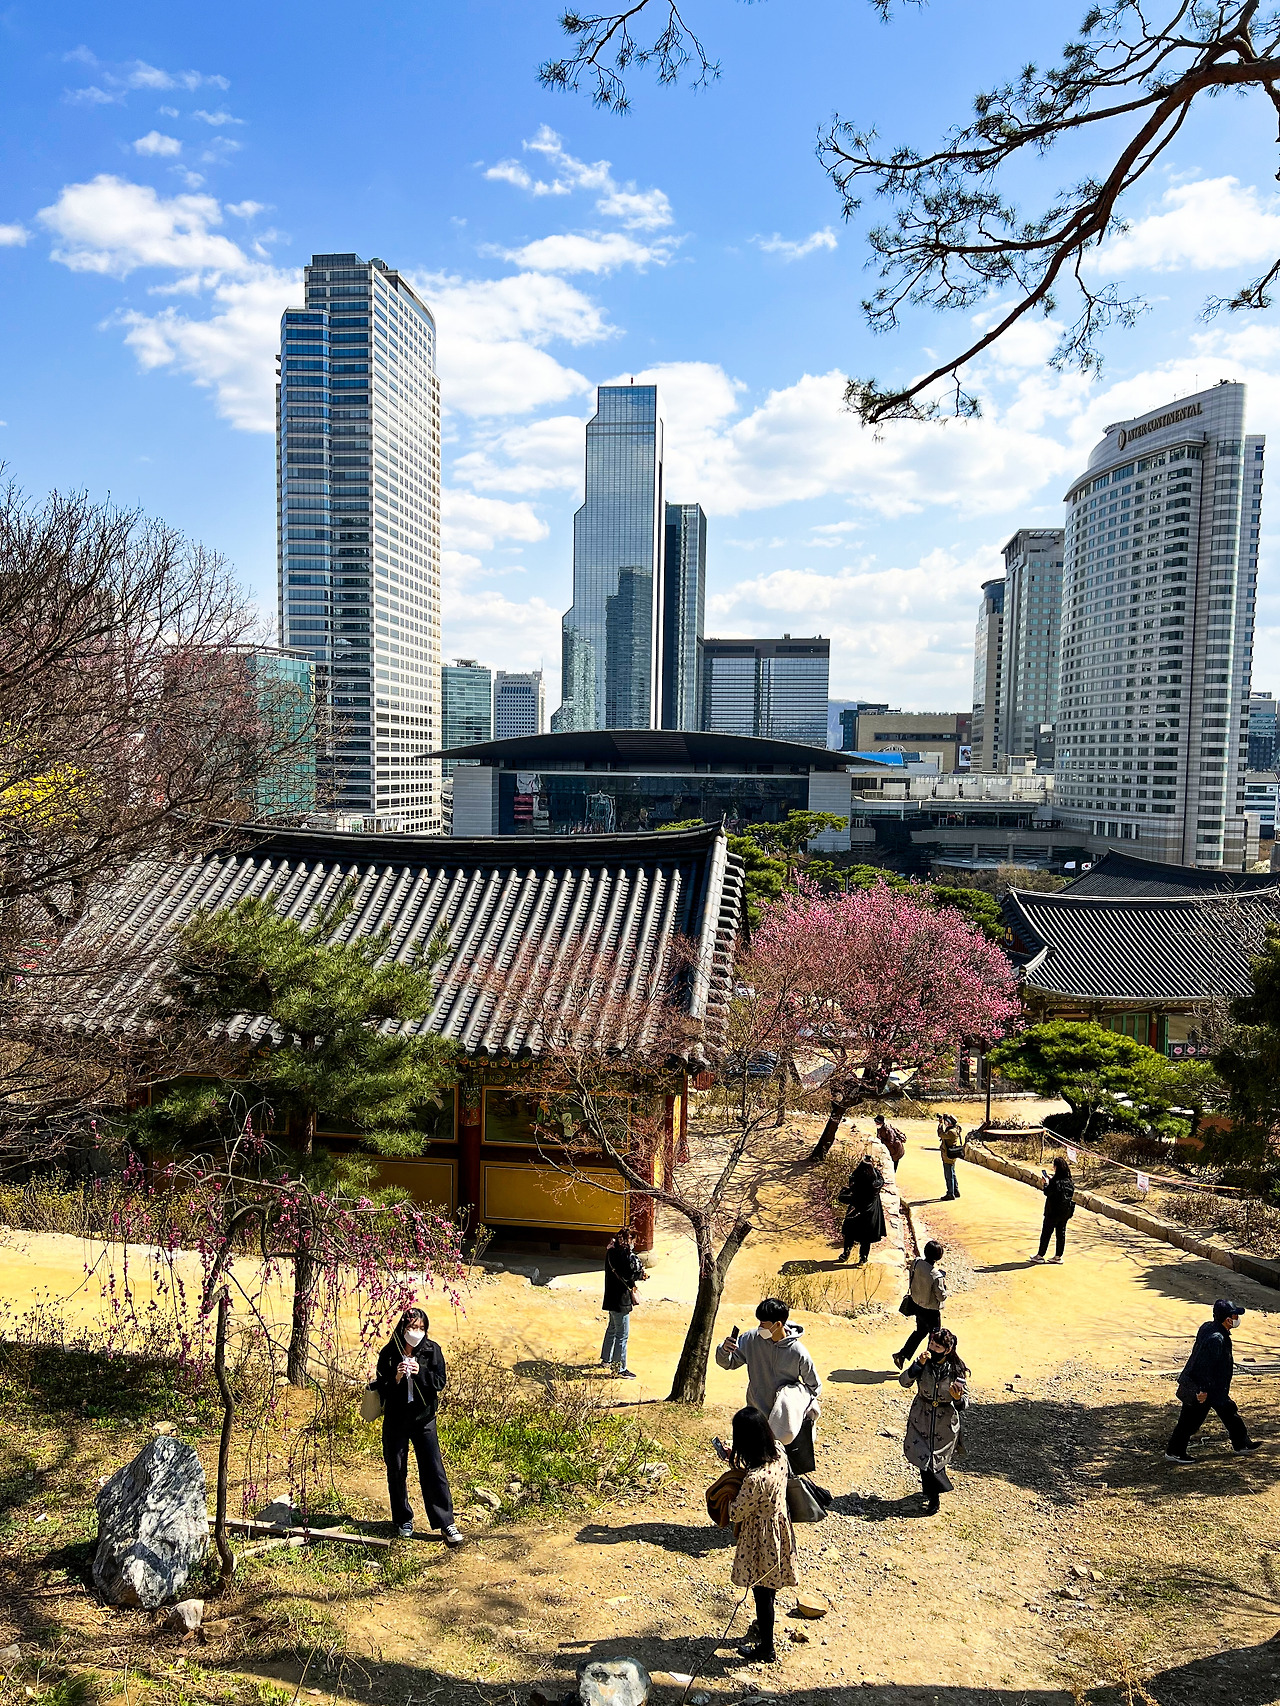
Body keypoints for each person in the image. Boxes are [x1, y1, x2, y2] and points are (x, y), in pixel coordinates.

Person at [374, 1308, 463, 1546]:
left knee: (433, 1470)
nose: (417, 1332)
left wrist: (420, 1372)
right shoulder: (389, 1353)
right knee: (396, 1469)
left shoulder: (432, 1351)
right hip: (396, 1420)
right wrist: (396, 1378)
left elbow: (439, 1382)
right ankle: (403, 1519)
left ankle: (446, 1522)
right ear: (403, 1328)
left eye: (421, 1328)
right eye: (412, 1327)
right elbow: (381, 1387)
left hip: (424, 1420)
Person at [726, 1405, 797, 1665]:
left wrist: (726, 1495)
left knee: (761, 1593)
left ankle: (767, 1648)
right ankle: (763, 1630)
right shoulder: (779, 1452)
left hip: (759, 1539)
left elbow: (736, 1512)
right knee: (770, 1586)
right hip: (779, 1531)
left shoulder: (755, 1479)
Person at [716, 1297, 822, 1473]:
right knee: (756, 1466)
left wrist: (791, 1400)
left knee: (783, 1469)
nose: (760, 1328)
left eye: (763, 1324)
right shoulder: (750, 1339)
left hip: (784, 1422)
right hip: (757, 1414)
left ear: (778, 1324)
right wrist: (723, 1350)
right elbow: (729, 1363)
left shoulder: (798, 1352)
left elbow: (814, 1387)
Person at [1165, 1298, 1263, 1464]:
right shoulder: (1216, 1339)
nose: (1237, 1319)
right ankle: (1174, 1451)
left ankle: (1242, 1444)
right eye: (1235, 1316)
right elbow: (1204, 1366)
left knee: (1229, 1413)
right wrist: (1201, 1390)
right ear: (1227, 1320)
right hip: (1203, 1387)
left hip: (1216, 1387)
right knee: (1189, 1421)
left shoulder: (1208, 1327)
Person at [900, 1326, 968, 1515]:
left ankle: (934, 1493)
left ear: (947, 1350)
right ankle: (933, 1496)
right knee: (924, 1457)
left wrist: (957, 1398)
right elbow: (904, 1381)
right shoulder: (922, 1364)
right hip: (921, 1417)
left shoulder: (956, 1369)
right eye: (931, 1343)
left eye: (937, 1346)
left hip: (944, 1423)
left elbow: (964, 1402)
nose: (932, 1348)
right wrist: (917, 1365)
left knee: (936, 1460)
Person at [892, 1239, 948, 1369]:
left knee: (920, 1332)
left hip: (917, 1305)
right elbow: (941, 1297)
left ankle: (902, 1355)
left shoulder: (916, 1263)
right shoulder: (936, 1276)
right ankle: (930, 1364)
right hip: (931, 1311)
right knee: (935, 1338)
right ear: (938, 1256)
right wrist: (944, 1286)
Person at [600, 1224, 646, 1379]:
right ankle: (619, 1368)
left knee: (612, 1328)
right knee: (622, 1335)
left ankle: (606, 1359)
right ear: (629, 1239)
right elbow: (629, 1274)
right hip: (621, 1300)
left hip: (610, 1298)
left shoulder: (611, 1252)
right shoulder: (625, 1256)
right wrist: (640, 1275)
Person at [836, 1152, 887, 1264]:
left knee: (850, 1234)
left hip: (856, 1212)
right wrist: (873, 1168)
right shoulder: (875, 1184)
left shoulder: (857, 1183)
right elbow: (880, 1179)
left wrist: (845, 1190)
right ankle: (863, 1258)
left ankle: (845, 1254)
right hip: (871, 1213)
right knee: (866, 1238)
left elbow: (849, 1185)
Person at [1032, 1155, 1076, 1263]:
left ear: (1056, 1167)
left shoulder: (1055, 1182)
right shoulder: (1069, 1182)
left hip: (1052, 1212)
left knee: (1046, 1233)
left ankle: (1040, 1255)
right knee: (1061, 1234)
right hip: (1065, 1212)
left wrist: (1046, 1183)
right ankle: (1058, 1256)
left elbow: (1048, 1192)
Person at [937, 1114, 966, 1200]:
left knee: (948, 1175)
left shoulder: (950, 1132)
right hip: (952, 1155)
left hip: (948, 1156)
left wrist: (940, 1124)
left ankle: (950, 1193)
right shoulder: (955, 1129)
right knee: (952, 1173)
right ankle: (955, 1191)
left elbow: (940, 1134)